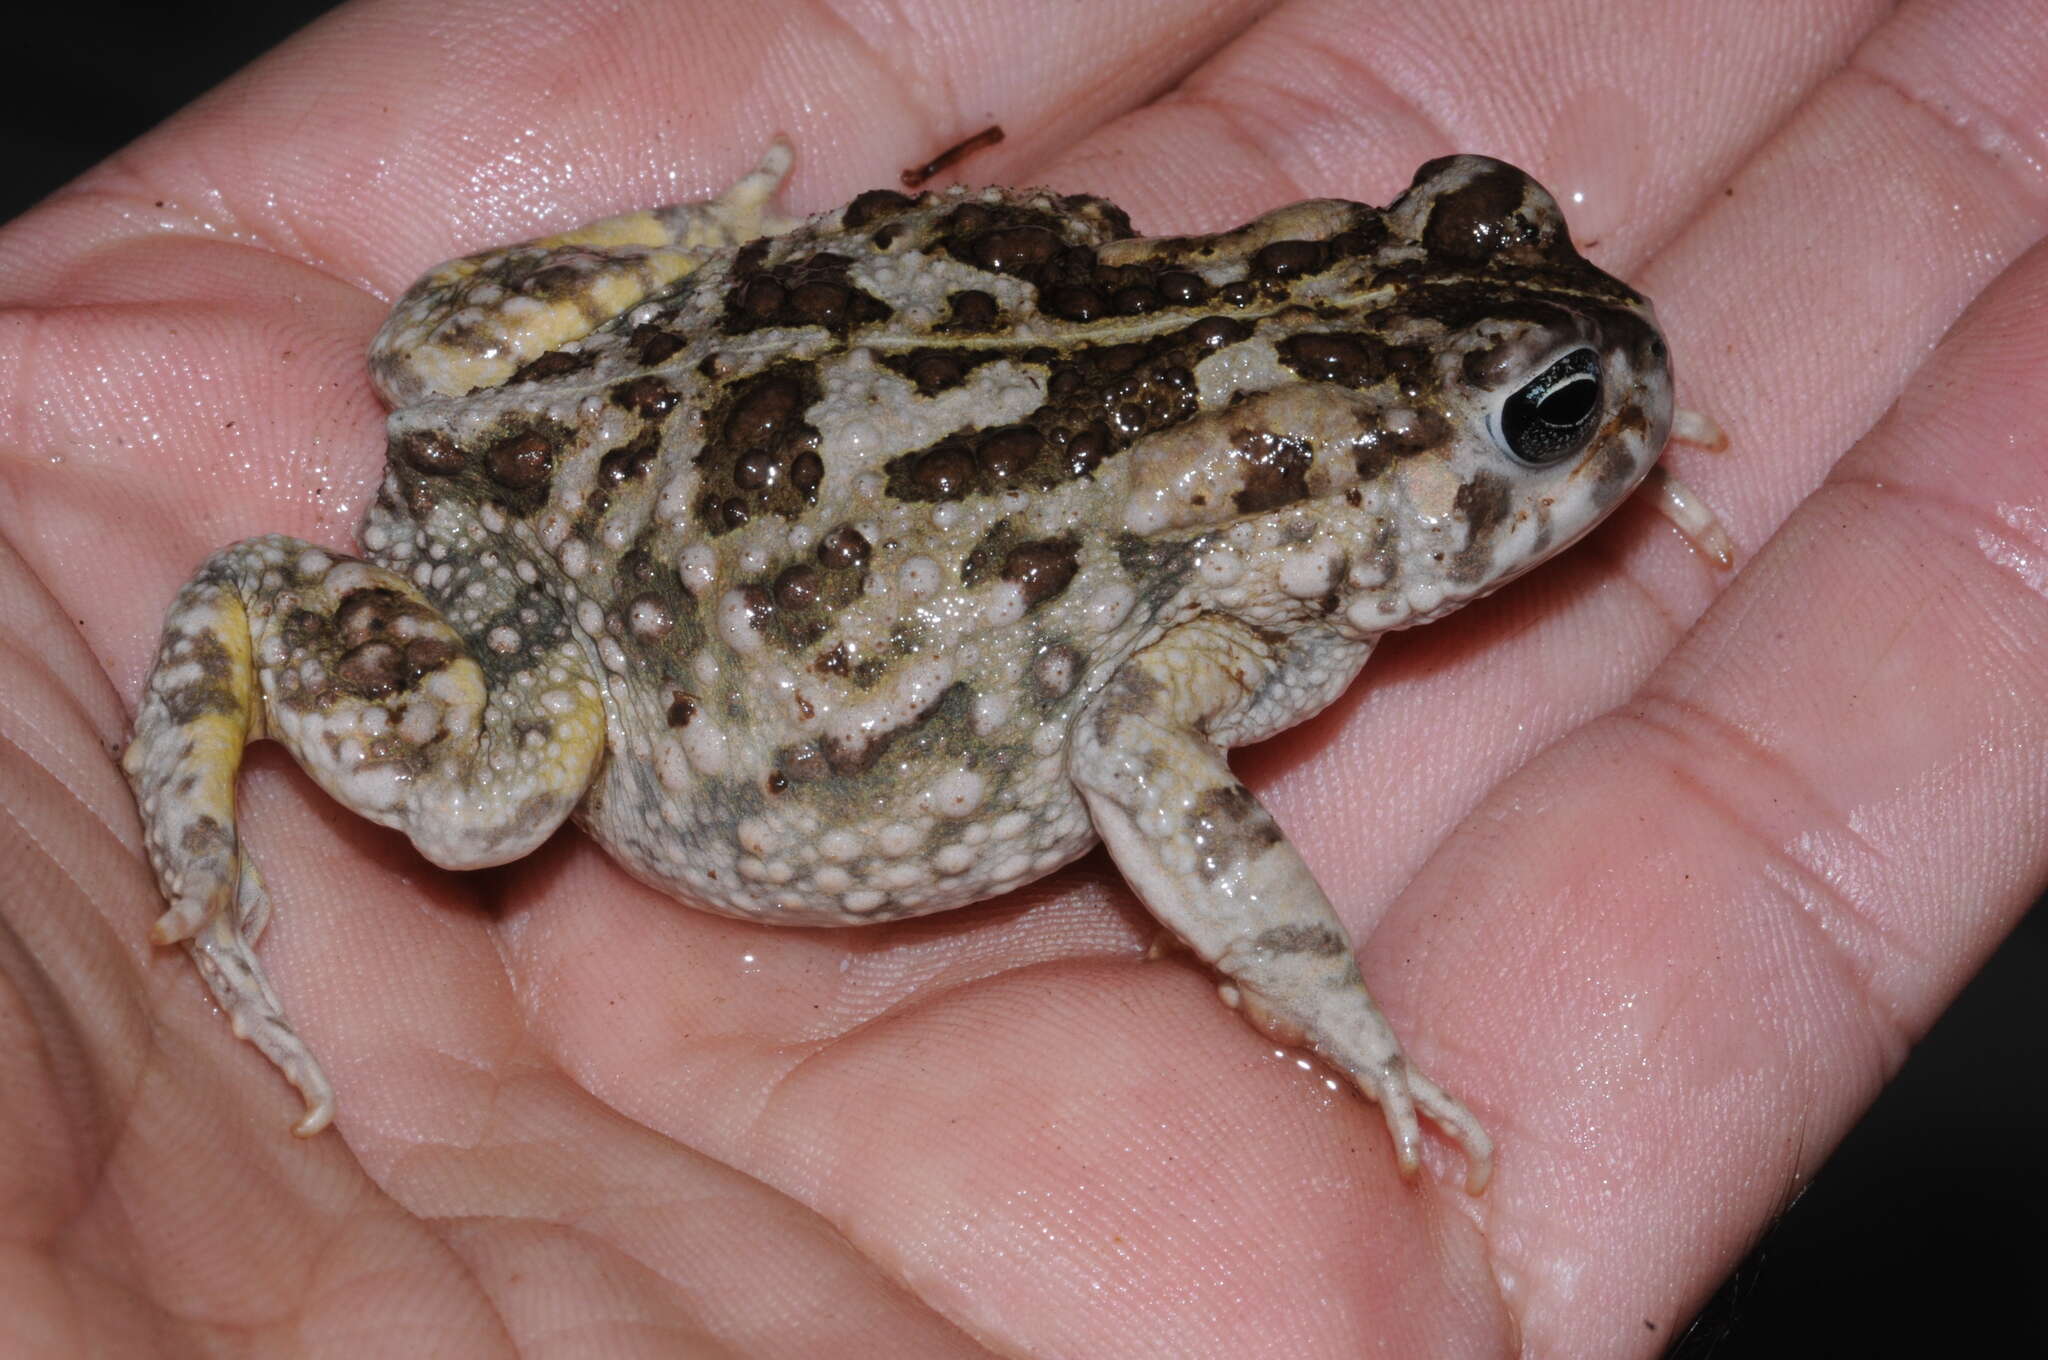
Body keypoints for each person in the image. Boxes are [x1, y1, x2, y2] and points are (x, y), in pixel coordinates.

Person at [3, 2, 2043, 1352]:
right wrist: (1331, 1002)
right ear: (1361, 500)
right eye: (1548, 417)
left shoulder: (1248, 502)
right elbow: (1151, 758)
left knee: (474, 377)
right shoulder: (1227, 606)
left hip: (636, 385)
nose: (1598, 423)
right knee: (489, 774)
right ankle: (258, 631)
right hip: (569, 599)